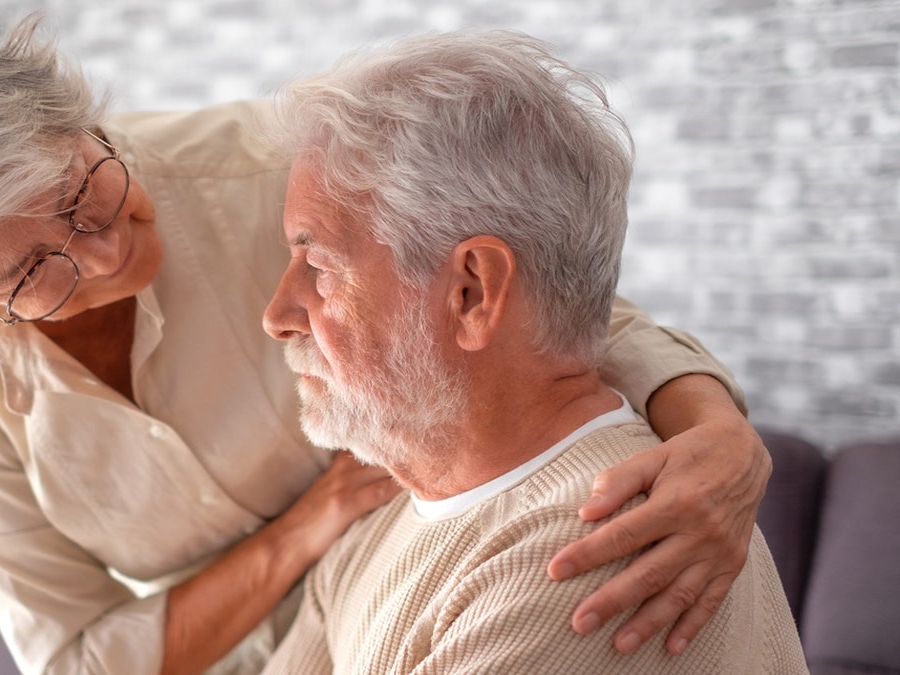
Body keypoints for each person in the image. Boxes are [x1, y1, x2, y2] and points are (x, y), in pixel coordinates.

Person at [0, 15, 772, 675]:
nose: (108, 248)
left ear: (71, 118)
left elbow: (535, 295)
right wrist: (309, 528)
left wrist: (717, 435)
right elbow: (72, 660)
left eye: (83, 192)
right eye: (33, 272)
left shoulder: (275, 170)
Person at [258, 30, 805, 674]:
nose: (277, 317)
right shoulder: (380, 522)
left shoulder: (597, 551)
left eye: (318, 266)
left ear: (473, 292)